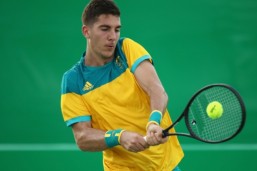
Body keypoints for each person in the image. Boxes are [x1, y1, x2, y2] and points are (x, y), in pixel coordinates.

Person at [60, 0, 184, 170]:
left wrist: (154, 122)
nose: (112, 36)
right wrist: (118, 136)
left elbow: (156, 90)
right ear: (86, 31)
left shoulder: (126, 49)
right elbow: (82, 137)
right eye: (105, 29)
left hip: (163, 163)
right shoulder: (73, 80)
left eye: (117, 29)